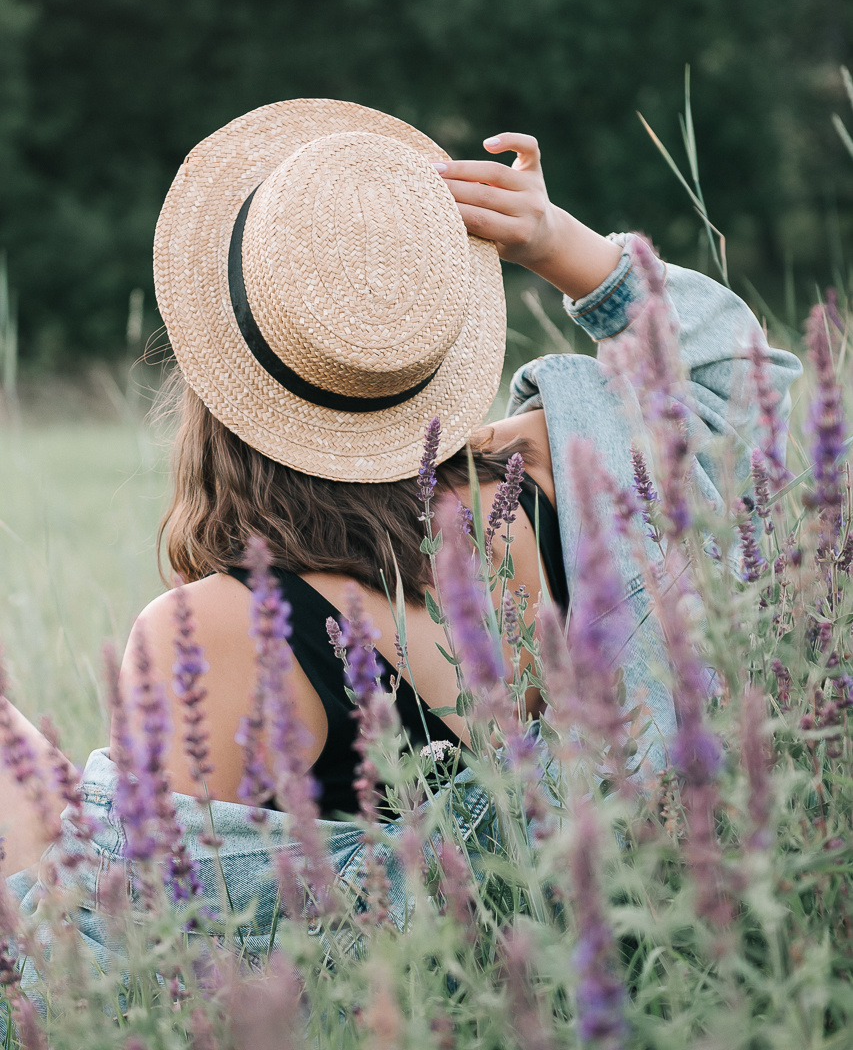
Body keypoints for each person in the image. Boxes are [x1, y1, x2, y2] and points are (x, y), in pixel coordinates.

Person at [2, 100, 800, 939]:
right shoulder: (580, 461)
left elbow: (141, 944)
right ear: (434, 339)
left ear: (210, 369)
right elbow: (737, 391)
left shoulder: (214, 633)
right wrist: (556, 240)